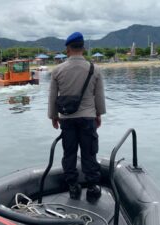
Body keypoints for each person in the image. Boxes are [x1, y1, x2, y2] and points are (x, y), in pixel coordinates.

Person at [48, 32, 106, 201]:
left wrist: (53, 116)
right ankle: (93, 188)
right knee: (89, 152)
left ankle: (73, 187)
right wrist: (98, 115)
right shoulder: (94, 69)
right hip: (88, 118)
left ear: (68, 49)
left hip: (66, 119)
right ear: (84, 48)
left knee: (69, 153)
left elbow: (52, 97)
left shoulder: (58, 70)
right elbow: (99, 96)